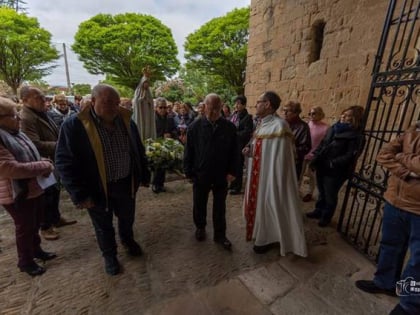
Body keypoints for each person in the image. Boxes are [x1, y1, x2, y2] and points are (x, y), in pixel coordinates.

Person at [55, 84, 150, 275]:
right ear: (93, 101)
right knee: (102, 225)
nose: (113, 107)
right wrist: (79, 195)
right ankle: (110, 256)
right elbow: (64, 162)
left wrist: (144, 174)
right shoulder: (74, 126)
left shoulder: (126, 121)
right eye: (106, 102)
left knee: (127, 217)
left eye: (115, 102)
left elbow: (138, 150)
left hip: (125, 184)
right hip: (97, 188)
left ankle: (127, 239)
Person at [355, 122, 420, 315]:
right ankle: (385, 282)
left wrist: (400, 156)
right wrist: (406, 171)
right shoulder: (411, 131)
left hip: (418, 208)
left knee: (418, 259)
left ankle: (411, 305)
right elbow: (383, 154)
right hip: (394, 200)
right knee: (390, 244)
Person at [243, 91, 307, 256]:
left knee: (270, 204)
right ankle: (261, 235)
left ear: (268, 104)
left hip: (272, 177)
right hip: (259, 174)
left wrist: (273, 178)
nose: (256, 104)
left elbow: (281, 158)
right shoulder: (263, 123)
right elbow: (261, 150)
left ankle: (269, 238)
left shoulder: (280, 126)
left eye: (259, 101)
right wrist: (250, 151)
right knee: (260, 206)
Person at [0, 96, 56, 276]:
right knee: (24, 226)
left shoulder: (16, 133)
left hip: (33, 188)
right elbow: (10, 169)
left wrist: (42, 162)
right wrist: (43, 166)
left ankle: (36, 250)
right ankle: (25, 261)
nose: (17, 119)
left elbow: (30, 154)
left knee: (34, 222)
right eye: (12, 116)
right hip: (15, 192)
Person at [19, 87, 77, 241]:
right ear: (25, 100)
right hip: (42, 160)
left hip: (52, 158)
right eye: (38, 97)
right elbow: (34, 144)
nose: (43, 100)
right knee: (47, 194)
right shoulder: (26, 118)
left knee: (55, 190)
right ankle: (45, 227)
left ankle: (56, 219)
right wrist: (60, 145)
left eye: (43, 96)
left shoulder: (41, 113)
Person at [183, 93, 238, 250]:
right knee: (199, 203)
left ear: (221, 108)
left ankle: (220, 235)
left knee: (220, 206)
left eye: (217, 108)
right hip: (201, 173)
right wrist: (188, 172)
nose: (214, 111)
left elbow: (235, 152)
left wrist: (233, 171)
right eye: (210, 107)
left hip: (221, 173)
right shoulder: (195, 127)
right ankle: (200, 227)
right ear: (204, 107)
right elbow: (189, 151)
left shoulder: (229, 127)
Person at [306, 105, 365, 227]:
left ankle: (326, 216)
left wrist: (333, 163)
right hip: (322, 164)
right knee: (321, 191)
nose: (343, 116)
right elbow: (323, 144)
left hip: (336, 170)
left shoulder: (356, 136)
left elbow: (350, 155)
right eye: (343, 113)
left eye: (348, 115)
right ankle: (318, 211)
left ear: (355, 118)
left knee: (330, 194)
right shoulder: (334, 128)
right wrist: (316, 156)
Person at [301, 106, 329, 202]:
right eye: (309, 113)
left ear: (320, 114)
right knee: (299, 174)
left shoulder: (325, 128)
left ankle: (309, 193)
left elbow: (326, 143)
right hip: (303, 153)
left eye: (313, 113)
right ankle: (295, 190)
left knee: (312, 176)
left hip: (315, 155)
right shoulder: (306, 125)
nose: (311, 116)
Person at [229, 95, 254, 195]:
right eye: (236, 103)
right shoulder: (234, 115)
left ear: (244, 105)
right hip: (232, 144)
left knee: (238, 166)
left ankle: (237, 187)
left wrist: (234, 134)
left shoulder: (248, 117)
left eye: (239, 103)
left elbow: (247, 132)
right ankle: (232, 183)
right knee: (232, 165)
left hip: (240, 144)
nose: (236, 105)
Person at [152, 97, 178, 193]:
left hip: (167, 144)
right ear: (156, 108)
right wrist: (160, 136)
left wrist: (171, 134)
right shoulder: (152, 119)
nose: (163, 109)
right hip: (156, 144)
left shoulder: (170, 118)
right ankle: (155, 184)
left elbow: (175, 130)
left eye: (164, 107)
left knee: (163, 165)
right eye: (161, 107)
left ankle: (161, 184)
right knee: (157, 165)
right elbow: (151, 133)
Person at [281, 100, 311, 179]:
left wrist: (289, 150)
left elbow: (306, 147)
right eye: (283, 110)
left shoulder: (302, 127)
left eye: (288, 111)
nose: (284, 113)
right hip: (279, 161)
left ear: (296, 113)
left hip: (293, 164)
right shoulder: (280, 124)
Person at [132, 70, 156, 141]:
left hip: (147, 113)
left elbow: (151, 102)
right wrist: (142, 98)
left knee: (147, 127)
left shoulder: (149, 92)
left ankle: (148, 140)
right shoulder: (138, 91)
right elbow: (136, 102)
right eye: (145, 82)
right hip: (140, 113)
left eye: (148, 83)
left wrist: (149, 101)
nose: (147, 84)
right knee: (141, 126)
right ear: (142, 83)